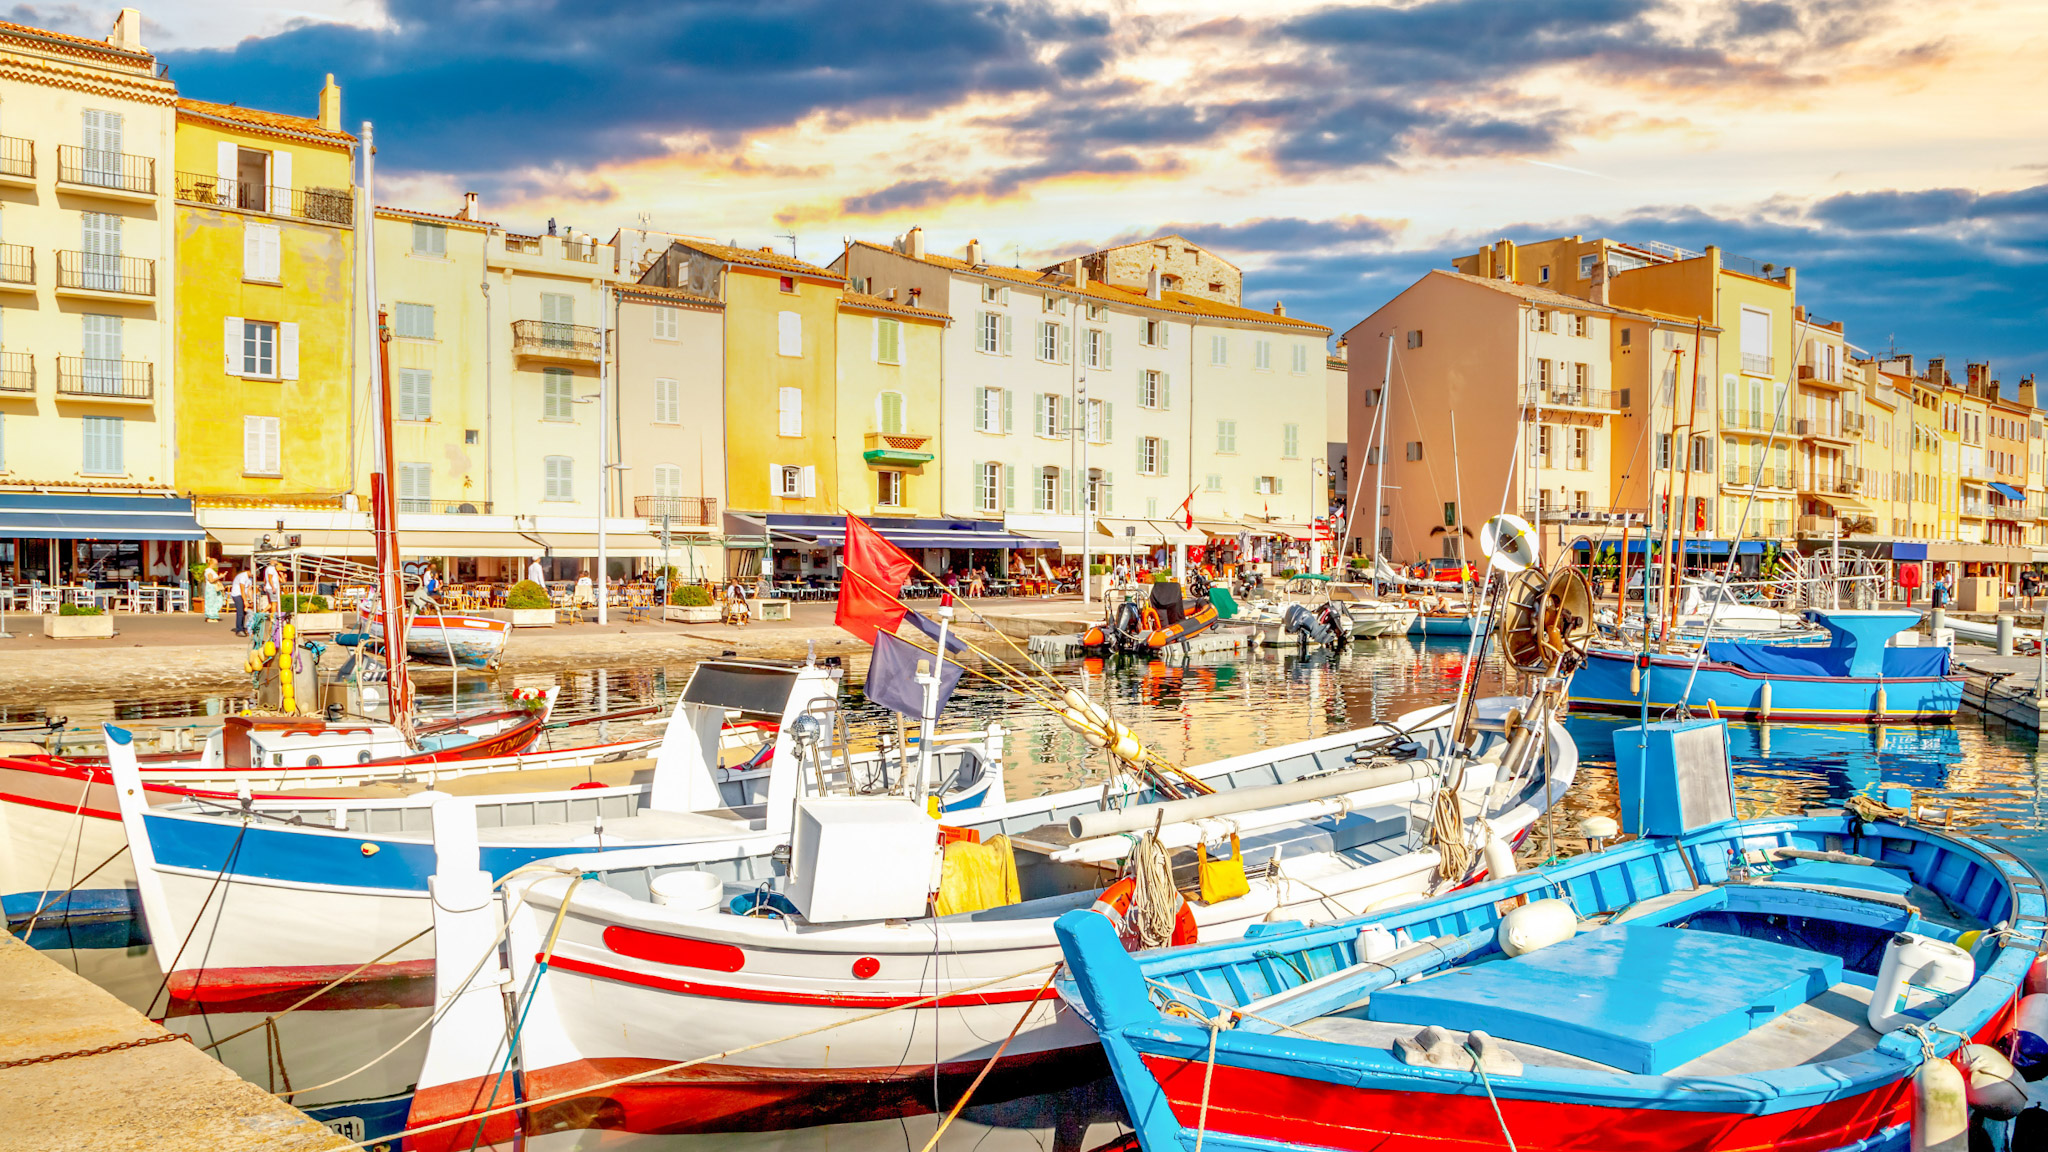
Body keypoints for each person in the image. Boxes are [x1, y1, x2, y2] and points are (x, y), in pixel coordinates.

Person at [229, 565, 254, 636]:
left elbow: (249, 589)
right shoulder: (243, 576)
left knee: (244, 612)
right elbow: (242, 589)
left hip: (243, 595)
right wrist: (245, 601)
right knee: (240, 612)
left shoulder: (250, 578)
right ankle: (239, 629)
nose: (253, 575)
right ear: (249, 571)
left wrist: (251, 600)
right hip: (237, 594)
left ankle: (242, 627)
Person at [201, 557, 224, 623]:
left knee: (215, 600)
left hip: (213, 587)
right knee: (211, 601)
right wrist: (219, 577)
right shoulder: (209, 571)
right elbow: (211, 580)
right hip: (211, 588)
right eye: (216, 564)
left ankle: (212, 615)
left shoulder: (211, 570)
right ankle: (210, 616)